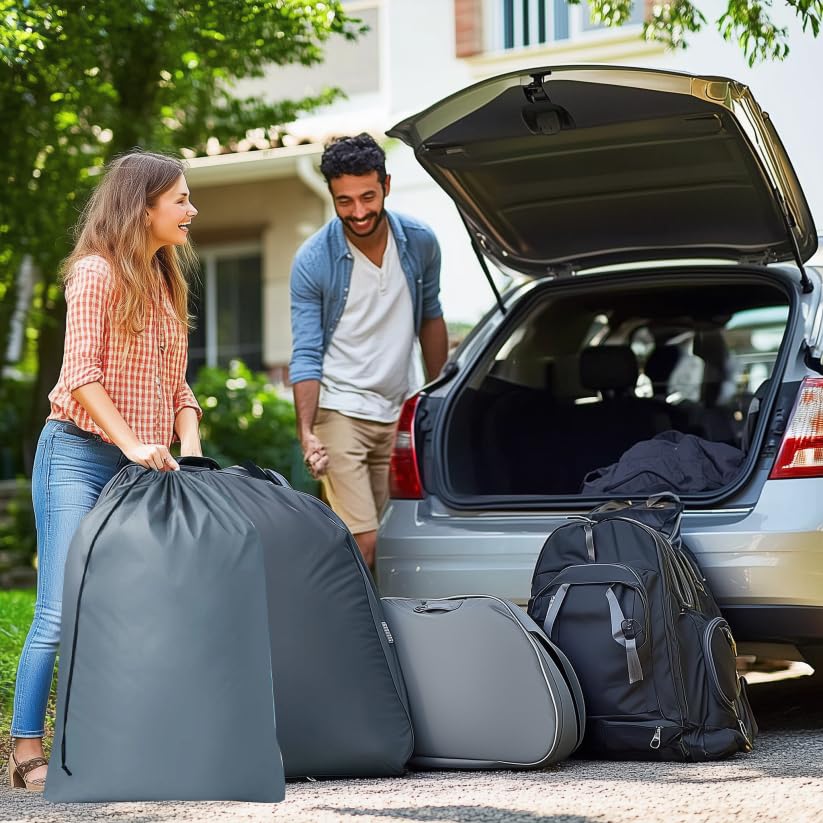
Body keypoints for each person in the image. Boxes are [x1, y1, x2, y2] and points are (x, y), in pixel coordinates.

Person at [8, 151, 202, 791]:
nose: (191, 210)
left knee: (132, 603)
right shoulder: (95, 274)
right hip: (78, 452)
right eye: (179, 199)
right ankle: (26, 746)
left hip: (145, 463)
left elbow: (179, 389)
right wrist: (132, 443)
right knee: (62, 609)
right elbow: (80, 377)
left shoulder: (167, 280)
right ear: (142, 207)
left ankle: (114, 734)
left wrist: (191, 450)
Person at [289, 133, 448, 570]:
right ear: (332, 196)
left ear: (387, 186)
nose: (358, 212)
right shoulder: (314, 261)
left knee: (388, 542)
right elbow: (305, 351)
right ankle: (355, 636)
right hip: (340, 411)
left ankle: (385, 628)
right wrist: (307, 430)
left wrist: (437, 400)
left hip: (397, 411)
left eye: (367, 197)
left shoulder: (419, 243)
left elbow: (431, 318)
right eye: (345, 201)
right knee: (364, 540)